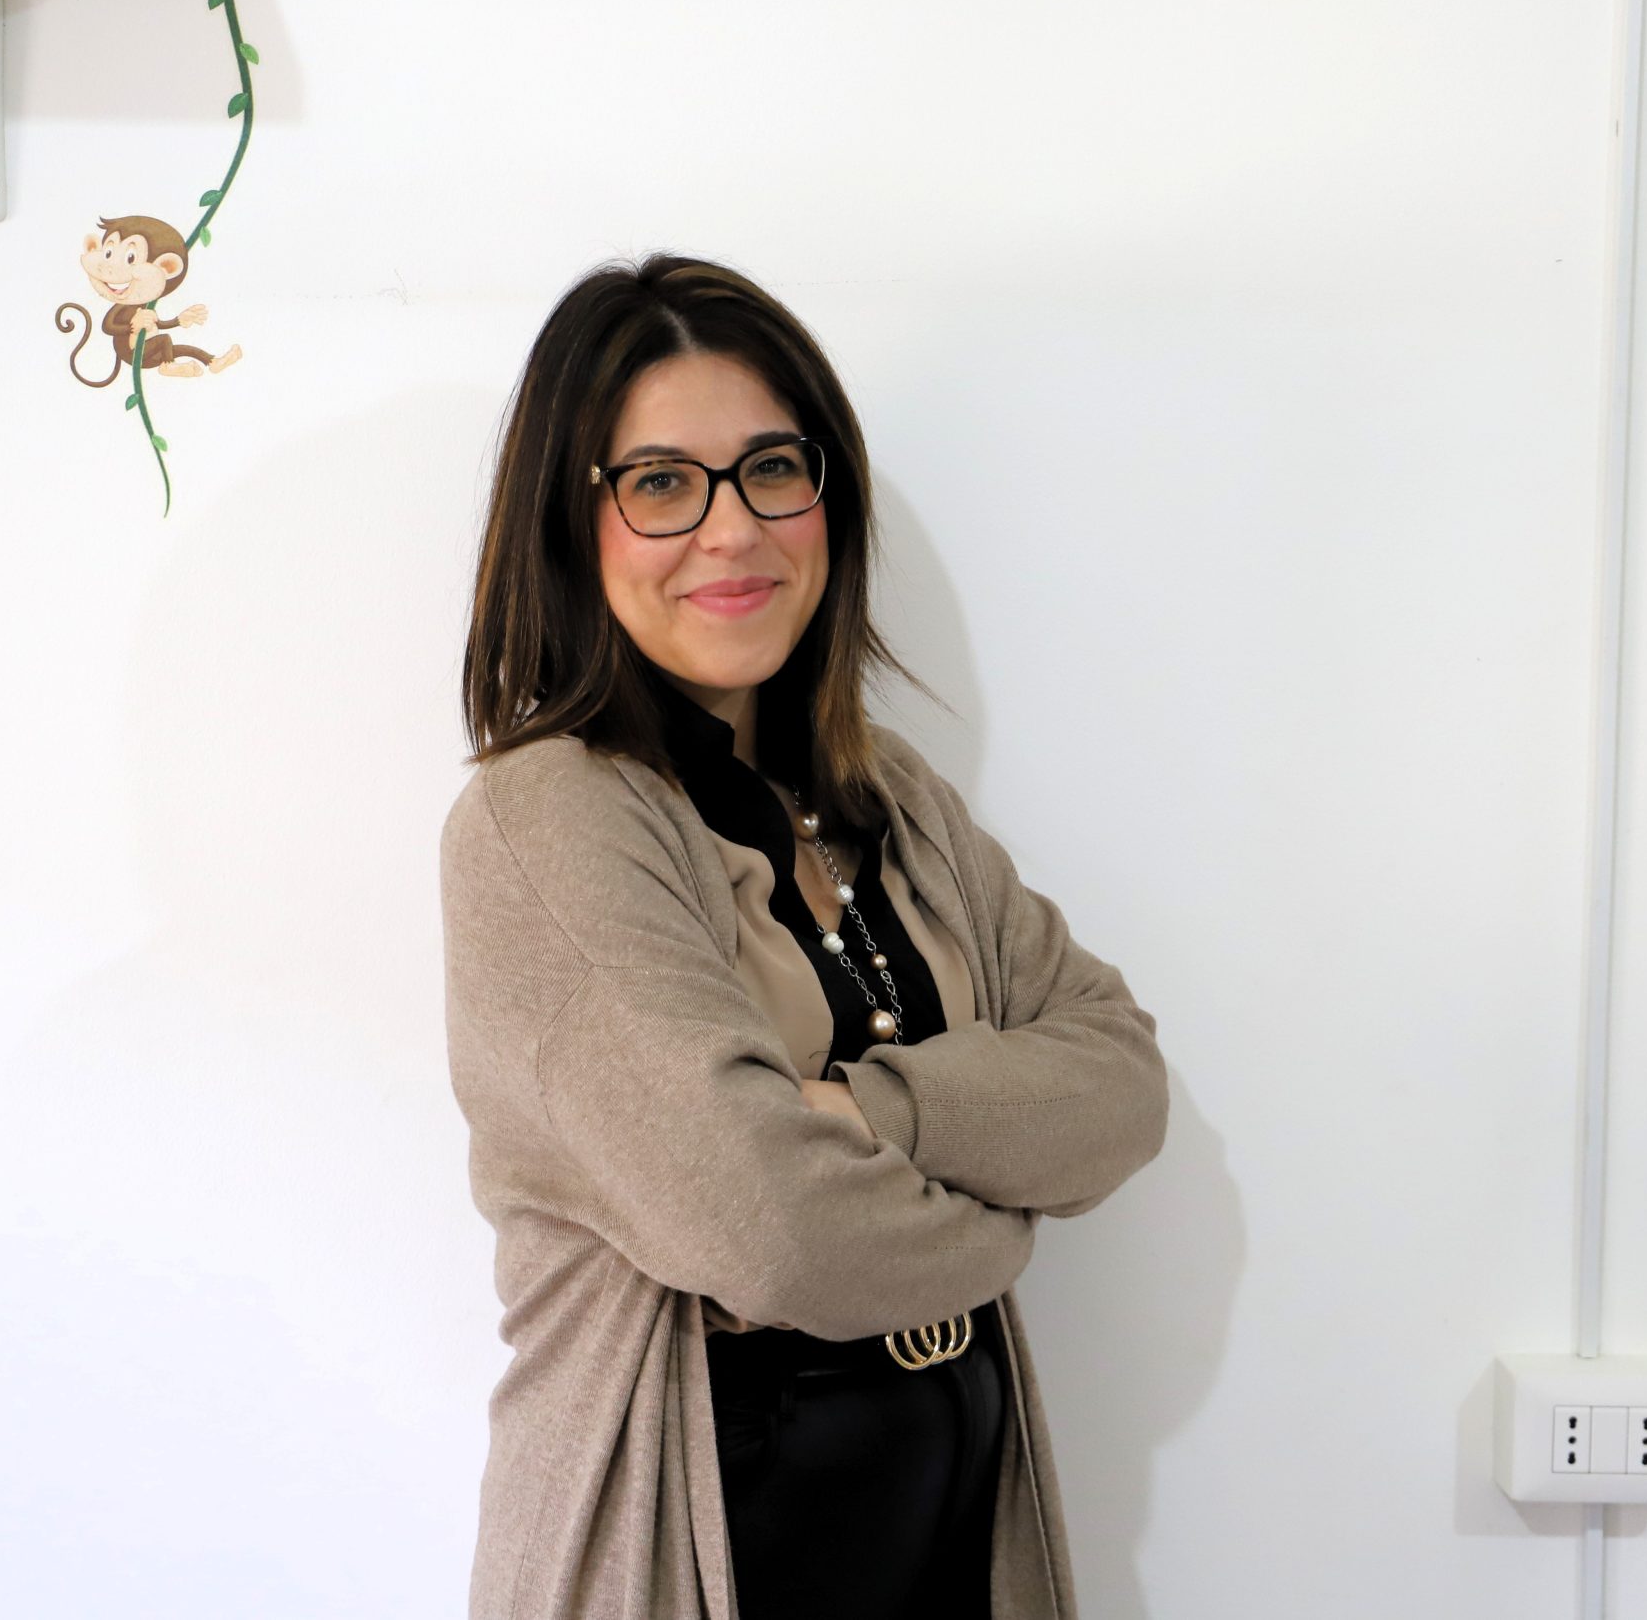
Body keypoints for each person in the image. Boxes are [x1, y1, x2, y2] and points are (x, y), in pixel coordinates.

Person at [439, 252, 1169, 1619]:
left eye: (772, 469)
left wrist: (865, 1110)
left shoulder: (893, 796)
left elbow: (1121, 1087)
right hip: (698, 1549)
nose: (732, 531)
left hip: (944, 1551)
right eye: (662, 484)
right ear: (570, 525)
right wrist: (1005, 1217)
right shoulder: (551, 820)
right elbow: (768, 1228)